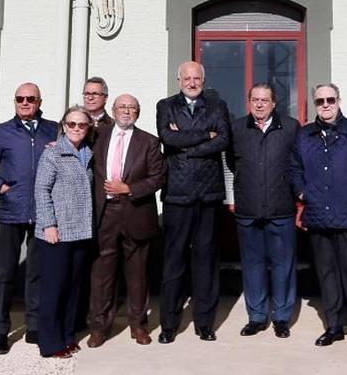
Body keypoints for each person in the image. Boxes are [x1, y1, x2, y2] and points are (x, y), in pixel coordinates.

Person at [155, 60, 231, 344]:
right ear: (179, 80)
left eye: (196, 77)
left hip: (208, 194)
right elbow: (167, 138)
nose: (192, 82)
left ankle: (204, 323)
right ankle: (169, 324)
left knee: (206, 261)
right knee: (173, 261)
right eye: (186, 77)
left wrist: (186, 145)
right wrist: (202, 136)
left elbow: (223, 139)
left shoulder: (217, 105)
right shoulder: (166, 106)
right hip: (177, 193)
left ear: (204, 78)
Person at [291, 83, 347, 350]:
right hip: (317, 214)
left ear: (339, 100)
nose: (325, 104)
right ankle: (334, 326)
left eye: (330, 99)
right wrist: (302, 192)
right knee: (326, 274)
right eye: (320, 101)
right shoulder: (304, 135)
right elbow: (294, 167)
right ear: (315, 104)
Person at [87, 94, 166, 348]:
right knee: (102, 275)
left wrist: (128, 188)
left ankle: (138, 325)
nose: (127, 111)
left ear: (138, 112)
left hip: (136, 212)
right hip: (104, 213)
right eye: (122, 106)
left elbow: (158, 178)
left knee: (137, 276)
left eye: (132, 107)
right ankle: (99, 328)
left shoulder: (150, 142)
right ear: (113, 109)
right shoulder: (97, 136)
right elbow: (73, 142)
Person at [0, 83, 59, 353]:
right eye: (20, 98)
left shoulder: (53, 129)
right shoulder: (3, 131)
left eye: (30, 98)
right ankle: (1, 331)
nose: (25, 102)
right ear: (14, 101)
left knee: (36, 273)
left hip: (43, 211)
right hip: (11, 210)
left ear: (39, 101)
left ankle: (33, 326)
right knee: (5, 273)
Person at [226, 83, 299, 339]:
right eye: (254, 99)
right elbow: (232, 164)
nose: (259, 104)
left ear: (274, 103)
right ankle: (256, 317)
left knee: (283, 266)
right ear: (248, 102)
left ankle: (281, 317)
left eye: (264, 100)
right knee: (253, 265)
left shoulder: (290, 127)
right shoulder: (236, 128)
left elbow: (295, 165)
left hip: (281, 210)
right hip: (248, 210)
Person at [34, 106, 95, 358]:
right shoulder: (53, 154)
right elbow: (41, 190)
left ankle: (68, 335)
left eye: (82, 125)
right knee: (54, 289)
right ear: (63, 125)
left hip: (80, 232)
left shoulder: (88, 154)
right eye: (72, 124)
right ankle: (50, 342)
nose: (77, 129)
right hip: (56, 233)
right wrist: (49, 224)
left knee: (73, 288)